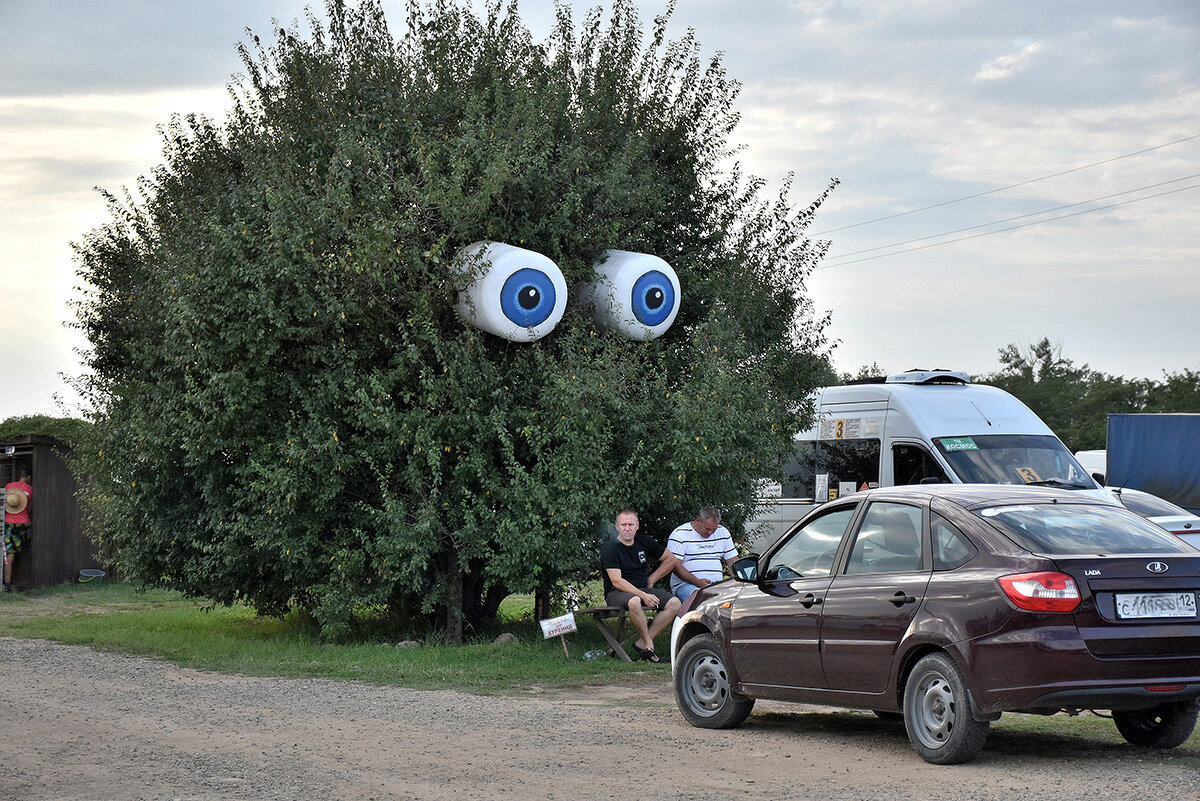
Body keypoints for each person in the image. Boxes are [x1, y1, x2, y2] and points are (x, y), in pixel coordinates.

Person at [599, 509, 681, 663]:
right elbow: (617, 581)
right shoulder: (610, 548)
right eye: (623, 524)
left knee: (675, 603)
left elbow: (671, 559)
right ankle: (649, 644)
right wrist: (643, 595)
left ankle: (641, 642)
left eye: (630, 524)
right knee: (634, 600)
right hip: (616, 593)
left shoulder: (644, 542)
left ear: (637, 526)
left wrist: (652, 578)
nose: (627, 528)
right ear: (617, 526)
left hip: (643, 589)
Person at [668, 506, 737, 601]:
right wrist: (698, 582)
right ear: (698, 520)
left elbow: (733, 561)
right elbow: (674, 566)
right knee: (702, 601)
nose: (710, 533)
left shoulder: (723, 532)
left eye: (714, 530)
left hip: (717, 586)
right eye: (707, 529)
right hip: (686, 585)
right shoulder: (680, 534)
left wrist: (739, 582)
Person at [4, 469, 32, 593]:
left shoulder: (8, 486)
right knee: (27, 550)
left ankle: (8, 584)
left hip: (8, 523)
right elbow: (30, 507)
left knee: (9, 555)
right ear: (29, 477)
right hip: (23, 524)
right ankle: (28, 580)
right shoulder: (30, 489)